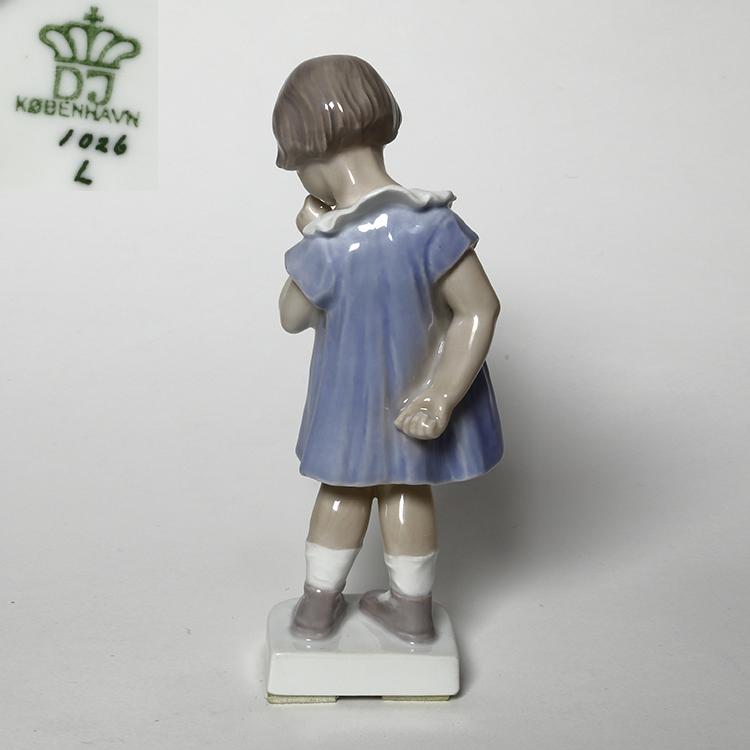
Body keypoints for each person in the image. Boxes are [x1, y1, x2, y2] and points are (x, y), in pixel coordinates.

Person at [273, 55, 503, 643]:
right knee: (406, 488)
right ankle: (412, 611)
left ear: (312, 157)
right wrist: (440, 396)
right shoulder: (433, 224)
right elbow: (479, 307)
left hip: (347, 407)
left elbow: (291, 316)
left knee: (342, 492)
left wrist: (312, 236)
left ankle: (316, 609)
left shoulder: (330, 243)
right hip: (411, 404)